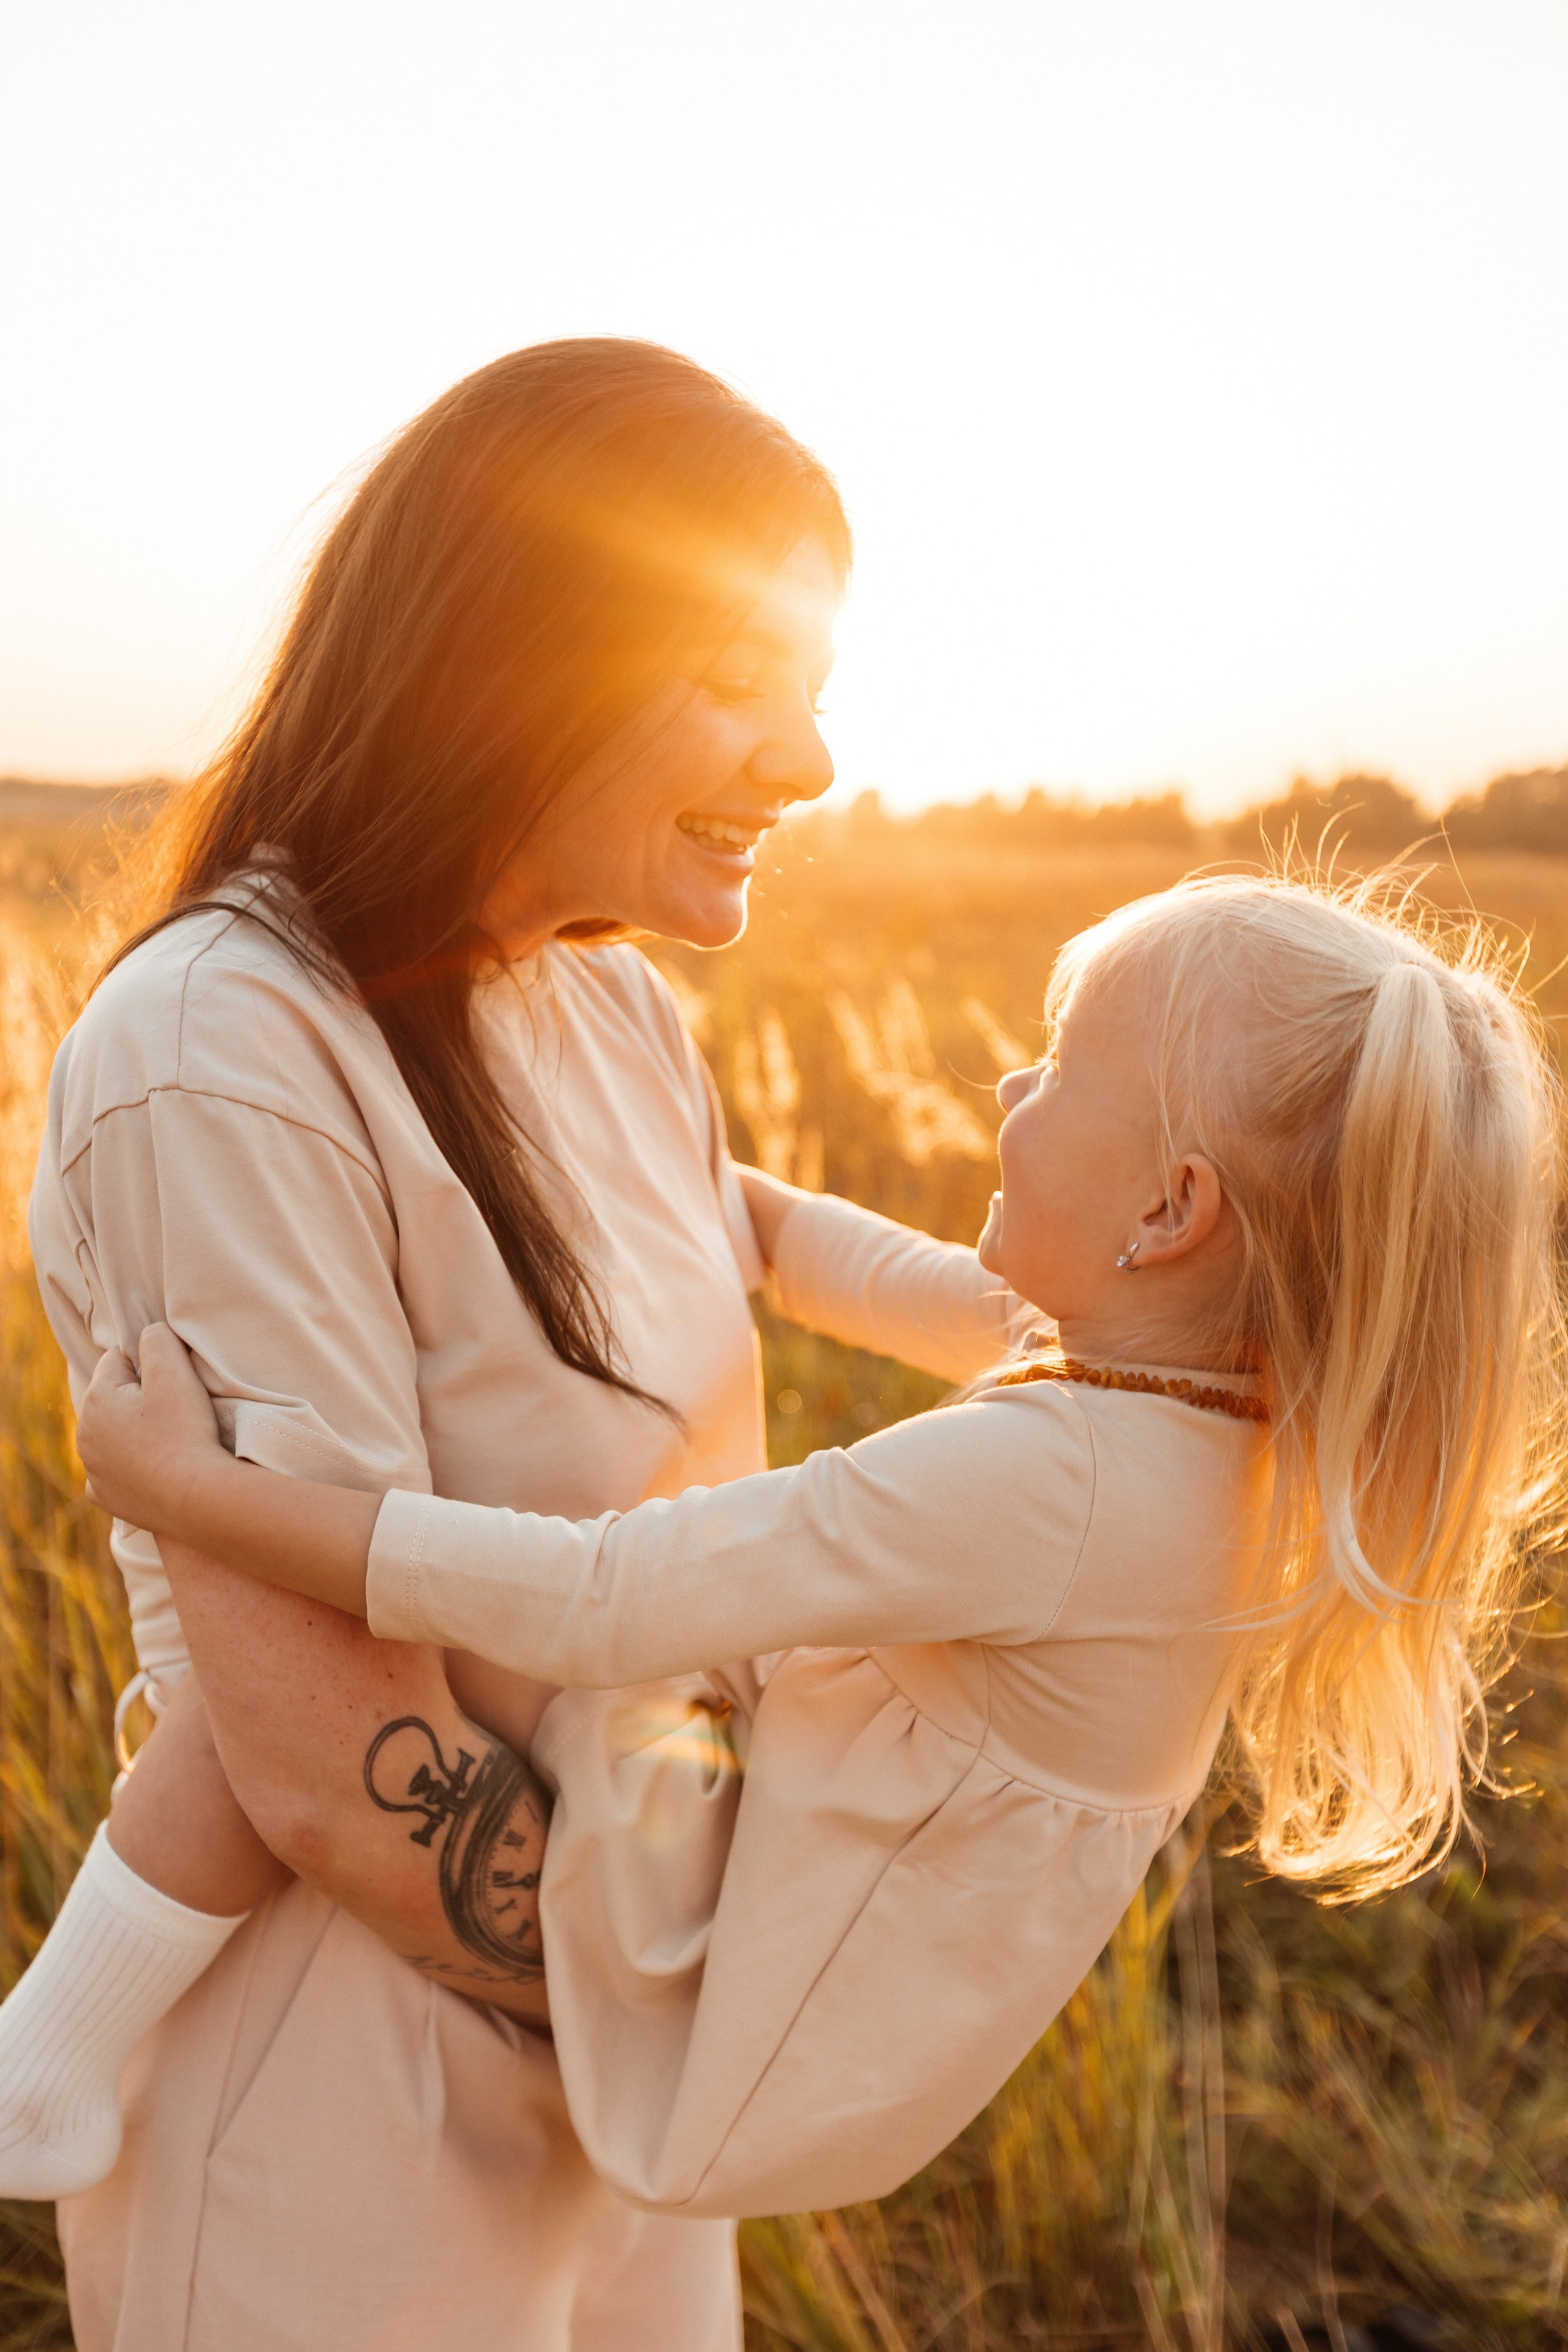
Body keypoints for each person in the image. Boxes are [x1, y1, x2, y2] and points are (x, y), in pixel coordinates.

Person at [69, 871, 1565, 2220]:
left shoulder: (1053, 1483)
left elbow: (602, 1600)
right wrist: (641, 1177)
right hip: (812, 1992)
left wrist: (191, 1491)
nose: (1012, 1082)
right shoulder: (1218, 1406)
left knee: (307, 1672)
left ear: (1168, 1209)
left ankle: (52, 2046)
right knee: (389, 1632)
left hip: (714, 2001)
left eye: (1058, 1069)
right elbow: (840, 1261)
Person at [5, 337, 902, 2352]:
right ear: (515, 658)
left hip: (623, 2066)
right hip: (344, 2122)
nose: (811, 765)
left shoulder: (612, 1007)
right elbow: (335, 1768)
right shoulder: (226, 1048)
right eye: (742, 681)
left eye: (820, 691)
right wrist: (718, 2013)